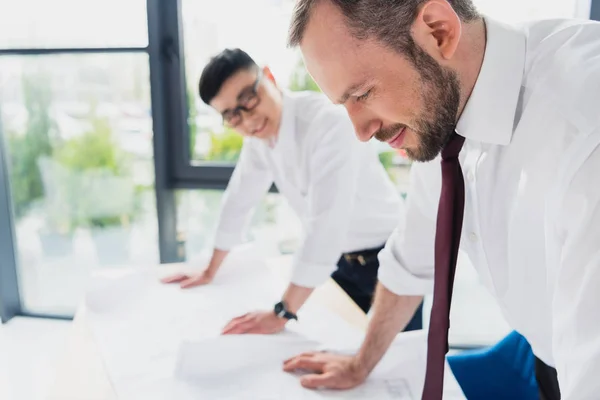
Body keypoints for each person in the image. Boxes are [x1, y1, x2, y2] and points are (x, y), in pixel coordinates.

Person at [282, 1, 600, 399]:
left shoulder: (586, 142)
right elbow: (409, 262)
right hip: (543, 355)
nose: (360, 132)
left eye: (362, 93)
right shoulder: (442, 108)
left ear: (438, 30)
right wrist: (360, 363)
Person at [162, 48, 423, 334]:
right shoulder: (260, 140)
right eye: (232, 116)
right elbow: (238, 200)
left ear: (269, 77)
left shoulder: (328, 123)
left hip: (388, 259)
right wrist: (209, 269)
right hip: (337, 265)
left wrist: (283, 311)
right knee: (342, 352)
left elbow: (325, 223)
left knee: (397, 362)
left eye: (248, 99)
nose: (248, 120)